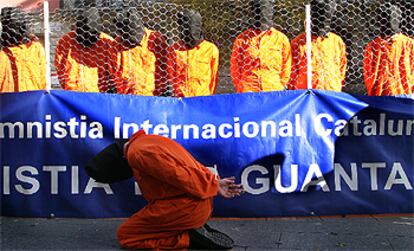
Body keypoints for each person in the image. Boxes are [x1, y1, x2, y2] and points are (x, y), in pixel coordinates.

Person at [86, 130, 243, 250]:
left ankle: (188, 238)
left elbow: (179, 175)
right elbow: (184, 168)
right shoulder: (149, 140)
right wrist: (213, 183)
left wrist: (214, 185)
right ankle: (188, 227)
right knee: (147, 219)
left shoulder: (137, 154)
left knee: (128, 236)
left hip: (189, 208)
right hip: (194, 205)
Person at [230, 0, 292, 93]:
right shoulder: (242, 39)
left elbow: (286, 67)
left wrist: (279, 85)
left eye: (265, 9)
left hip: (273, 91)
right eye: (258, 10)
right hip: (248, 92)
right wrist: (242, 87)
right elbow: (235, 68)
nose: (262, 13)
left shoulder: (281, 39)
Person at [107, 9, 168, 96]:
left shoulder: (155, 39)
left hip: (153, 99)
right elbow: (112, 75)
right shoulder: (115, 47)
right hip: (127, 100)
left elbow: (166, 67)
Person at [289, 0, 347, 92]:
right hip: (306, 94)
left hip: (332, 92)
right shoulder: (298, 43)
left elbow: (342, 67)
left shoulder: (337, 41)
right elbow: (291, 72)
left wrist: (337, 85)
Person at [54, 7, 113, 92]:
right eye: (84, 34)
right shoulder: (66, 41)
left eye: (90, 35)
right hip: (73, 93)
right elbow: (59, 66)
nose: (87, 37)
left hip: (98, 95)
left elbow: (113, 71)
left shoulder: (106, 42)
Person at [363, 3, 414, 96]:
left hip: (405, 96)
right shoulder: (372, 46)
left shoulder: (409, 45)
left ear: (399, 20)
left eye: (393, 17)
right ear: (379, 21)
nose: (390, 22)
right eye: (386, 18)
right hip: (380, 97)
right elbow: (368, 74)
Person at [167, 10, 219, 97]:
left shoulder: (210, 49)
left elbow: (214, 78)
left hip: (202, 99)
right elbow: (171, 76)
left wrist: (209, 98)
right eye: (184, 28)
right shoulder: (174, 49)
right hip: (181, 100)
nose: (186, 31)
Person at [0, 7, 46, 92]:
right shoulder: (36, 48)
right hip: (16, 99)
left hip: (19, 98)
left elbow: (43, 78)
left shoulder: (36, 48)